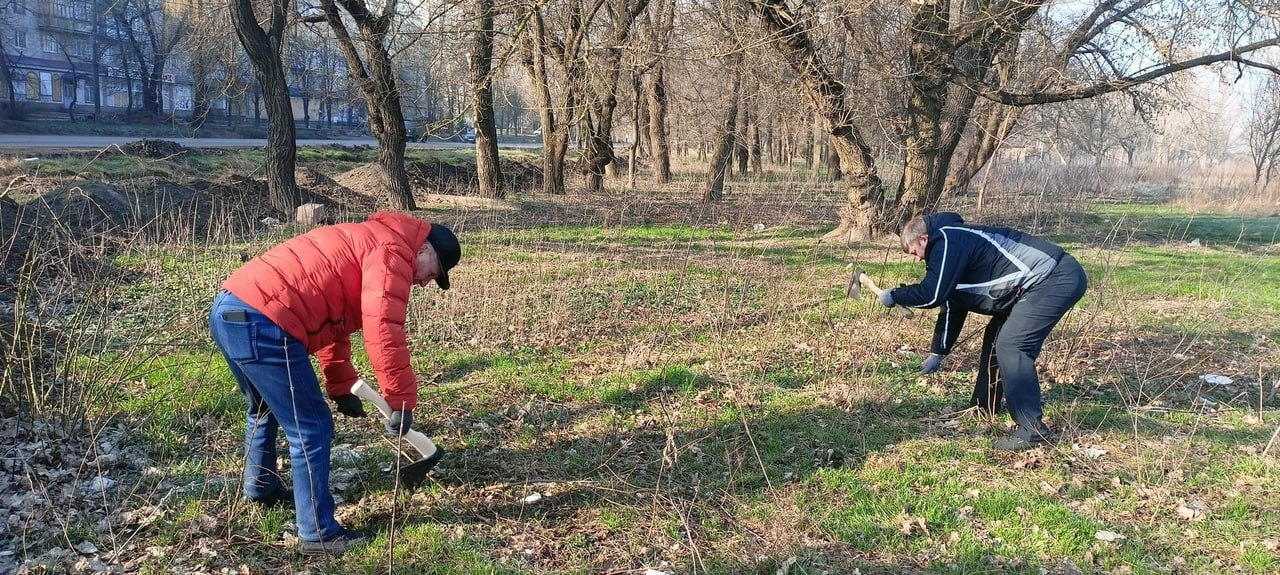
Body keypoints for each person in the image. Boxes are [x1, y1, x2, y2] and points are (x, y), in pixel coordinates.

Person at [208, 212, 461, 555]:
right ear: (424, 250)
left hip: (232, 308)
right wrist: (400, 399)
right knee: (311, 428)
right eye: (432, 273)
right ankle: (317, 534)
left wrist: (341, 383)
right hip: (265, 320)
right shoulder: (392, 253)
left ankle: (261, 487)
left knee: (264, 407)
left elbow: (334, 321)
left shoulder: (370, 240)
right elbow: (384, 331)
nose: (424, 283)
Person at [879, 212, 1087, 451]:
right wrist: (937, 353)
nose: (915, 258)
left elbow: (932, 294)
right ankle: (983, 406)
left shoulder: (948, 240)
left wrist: (894, 296)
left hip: (1054, 277)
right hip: (1030, 288)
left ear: (924, 239)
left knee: (1012, 345)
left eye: (913, 250)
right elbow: (950, 305)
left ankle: (1032, 430)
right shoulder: (949, 250)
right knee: (996, 339)